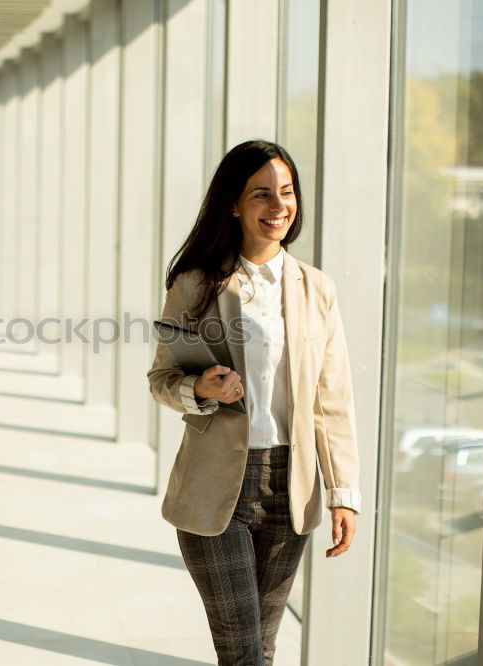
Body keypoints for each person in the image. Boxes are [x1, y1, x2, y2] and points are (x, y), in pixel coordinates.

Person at [147, 139, 362, 666]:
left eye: (286, 192)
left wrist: (344, 493)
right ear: (234, 204)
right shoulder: (196, 284)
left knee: (259, 648)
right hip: (216, 487)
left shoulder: (317, 288)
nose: (279, 205)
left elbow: (331, 398)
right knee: (245, 651)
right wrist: (201, 389)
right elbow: (161, 378)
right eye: (262, 194)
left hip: (293, 487)